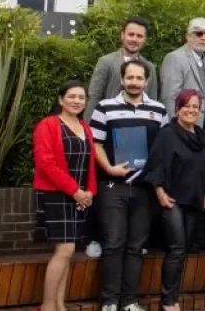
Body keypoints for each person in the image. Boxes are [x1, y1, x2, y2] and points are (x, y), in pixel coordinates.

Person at [90, 60, 168, 311]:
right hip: (114, 185)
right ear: (122, 80)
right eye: (130, 78)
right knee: (114, 243)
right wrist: (109, 169)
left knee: (135, 247)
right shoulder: (104, 107)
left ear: (147, 81)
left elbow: (163, 149)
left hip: (145, 188)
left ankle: (130, 301)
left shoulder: (158, 110)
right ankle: (110, 301)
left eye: (139, 78)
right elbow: (96, 144)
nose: (134, 82)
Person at [146, 89, 205, 311]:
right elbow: (155, 165)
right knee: (176, 247)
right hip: (171, 199)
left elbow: (203, 170)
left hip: (193, 199)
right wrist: (160, 193)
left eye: (196, 107)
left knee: (183, 250)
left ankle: (175, 295)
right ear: (178, 108)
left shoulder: (202, 137)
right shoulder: (167, 133)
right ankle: (168, 300)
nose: (191, 110)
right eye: (187, 106)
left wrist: (203, 194)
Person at [34, 81, 97, 311]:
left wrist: (90, 191)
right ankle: (48, 305)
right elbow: (46, 165)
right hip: (56, 194)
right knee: (65, 249)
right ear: (61, 100)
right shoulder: (48, 125)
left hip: (78, 197)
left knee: (67, 252)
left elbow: (90, 164)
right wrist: (75, 191)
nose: (76, 101)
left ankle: (61, 304)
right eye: (71, 96)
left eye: (81, 97)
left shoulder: (85, 127)